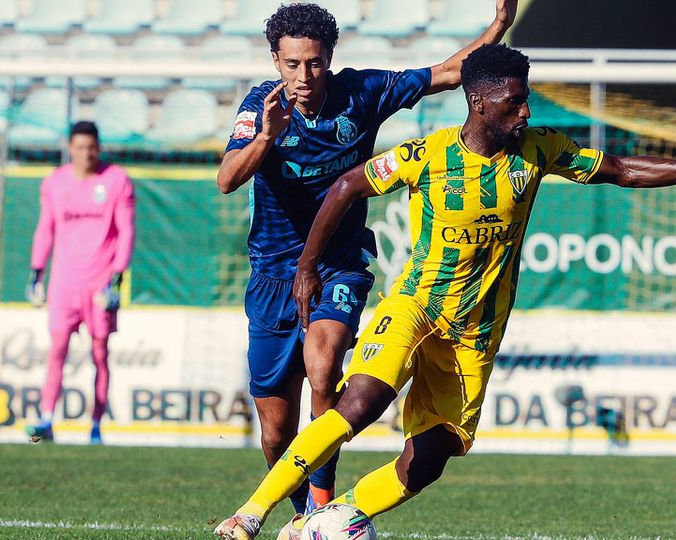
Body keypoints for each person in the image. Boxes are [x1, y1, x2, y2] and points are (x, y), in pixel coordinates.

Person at [214, 43, 676, 540]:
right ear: (479, 103)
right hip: (416, 305)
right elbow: (345, 185)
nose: (524, 112)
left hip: (475, 330)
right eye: (513, 102)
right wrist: (308, 265)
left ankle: (326, 522)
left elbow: (619, 169)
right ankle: (251, 513)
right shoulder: (427, 155)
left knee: (432, 456)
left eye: (525, 101)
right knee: (358, 402)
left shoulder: (539, 150)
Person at [216, 0, 519, 514]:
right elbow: (227, 179)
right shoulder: (261, 107)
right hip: (271, 273)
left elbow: (448, 74)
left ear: (329, 57)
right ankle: (303, 516)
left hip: (339, 262)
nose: (304, 75)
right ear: (275, 61)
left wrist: (498, 27)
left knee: (323, 364)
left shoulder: (362, 91)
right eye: (292, 65)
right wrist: (267, 135)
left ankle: (322, 505)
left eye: (314, 62)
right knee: (274, 432)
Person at [25, 121, 135, 446]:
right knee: (57, 349)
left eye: (91, 147)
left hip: (100, 283)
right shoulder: (55, 183)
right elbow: (45, 228)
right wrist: (36, 272)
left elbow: (126, 231)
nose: (86, 153)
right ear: (69, 147)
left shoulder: (116, 180)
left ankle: (96, 425)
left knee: (99, 354)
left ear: (98, 148)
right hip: (64, 284)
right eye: (80, 147)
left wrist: (116, 278)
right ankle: (46, 419)